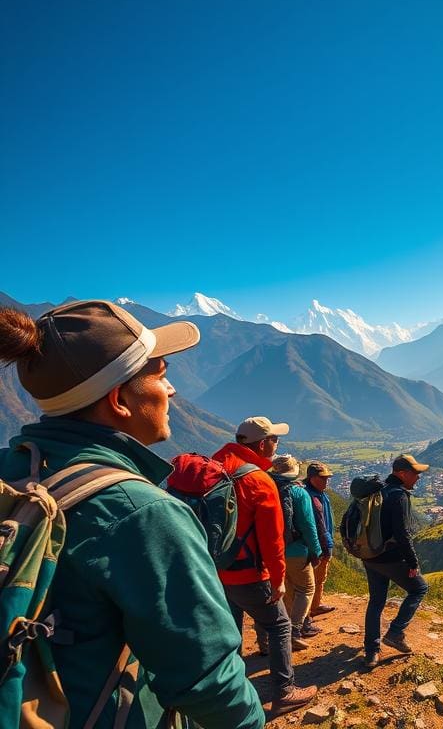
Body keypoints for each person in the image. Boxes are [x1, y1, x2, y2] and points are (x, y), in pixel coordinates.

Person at [0, 300, 265, 728]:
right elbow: (208, 681)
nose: (171, 390)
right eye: (160, 374)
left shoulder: (9, 472)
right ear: (119, 399)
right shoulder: (143, 514)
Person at [212, 417, 317, 715]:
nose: (277, 444)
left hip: (216, 569)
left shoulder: (214, 467)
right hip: (250, 572)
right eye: (274, 439)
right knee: (280, 625)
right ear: (261, 445)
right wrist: (278, 579)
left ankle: (230, 690)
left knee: (232, 630)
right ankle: (284, 692)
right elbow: (273, 540)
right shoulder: (258, 480)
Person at [361, 454, 430, 669]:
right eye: (415, 473)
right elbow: (403, 534)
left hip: (370, 556)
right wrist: (413, 562)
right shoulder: (398, 496)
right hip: (391, 558)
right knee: (419, 588)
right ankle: (396, 632)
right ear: (401, 474)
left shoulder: (377, 491)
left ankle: (371, 652)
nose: (418, 477)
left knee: (376, 602)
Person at [263, 454, 323, 650]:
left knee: (287, 590)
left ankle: (285, 630)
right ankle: (294, 631)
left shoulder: (268, 489)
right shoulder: (298, 493)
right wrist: (316, 550)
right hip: (297, 550)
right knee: (306, 588)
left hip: (273, 551)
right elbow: (308, 525)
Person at [305, 461, 336, 616]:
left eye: (327, 478)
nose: (326, 481)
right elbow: (318, 526)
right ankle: (310, 610)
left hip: (320, 543)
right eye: (322, 478)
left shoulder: (319, 494)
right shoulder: (312, 497)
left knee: (319, 578)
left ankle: (315, 605)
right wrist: (325, 547)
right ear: (312, 478)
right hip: (318, 546)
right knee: (315, 580)